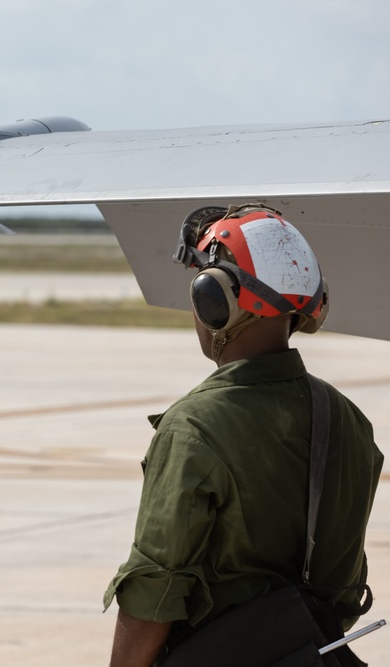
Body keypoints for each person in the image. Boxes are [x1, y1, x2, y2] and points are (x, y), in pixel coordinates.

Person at [104, 204, 383, 667]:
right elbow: (345, 590)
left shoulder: (194, 428)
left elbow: (154, 592)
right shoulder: (347, 419)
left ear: (214, 303)